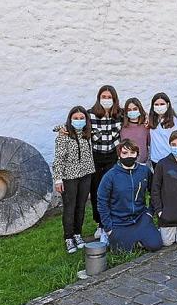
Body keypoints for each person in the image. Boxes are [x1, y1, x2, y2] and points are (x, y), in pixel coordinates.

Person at [97, 139, 162, 252]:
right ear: (119, 155)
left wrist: (150, 213)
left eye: (132, 153)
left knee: (155, 245)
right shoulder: (110, 176)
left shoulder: (144, 171)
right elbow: (102, 202)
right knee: (120, 251)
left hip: (141, 218)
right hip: (119, 221)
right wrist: (108, 228)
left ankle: (140, 237)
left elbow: (155, 192)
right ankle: (118, 238)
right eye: (125, 153)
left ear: (137, 154)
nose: (129, 156)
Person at [53, 106, 96, 254]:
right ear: (70, 120)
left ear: (86, 119)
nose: (79, 121)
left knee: (81, 206)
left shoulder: (88, 133)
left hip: (86, 174)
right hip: (69, 177)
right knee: (69, 208)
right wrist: (58, 179)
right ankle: (68, 237)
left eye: (81, 118)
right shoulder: (64, 135)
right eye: (75, 119)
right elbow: (58, 158)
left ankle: (78, 234)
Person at [89, 85, 123, 239]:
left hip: (112, 156)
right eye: (104, 97)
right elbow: (73, 124)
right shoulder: (90, 115)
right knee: (96, 191)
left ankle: (111, 220)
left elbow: (139, 119)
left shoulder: (119, 115)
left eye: (110, 97)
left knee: (111, 190)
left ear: (114, 99)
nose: (107, 100)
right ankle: (100, 223)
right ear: (99, 98)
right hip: (96, 156)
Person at [149, 92, 177, 168]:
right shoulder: (151, 121)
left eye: (162, 104)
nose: (159, 106)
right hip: (156, 160)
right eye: (156, 104)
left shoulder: (174, 123)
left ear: (168, 105)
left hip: (170, 159)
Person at [121, 98, 150, 165]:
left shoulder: (146, 126)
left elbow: (149, 143)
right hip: (125, 162)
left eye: (135, 109)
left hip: (142, 162)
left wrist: (146, 115)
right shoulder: (122, 125)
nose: (132, 111)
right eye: (129, 110)